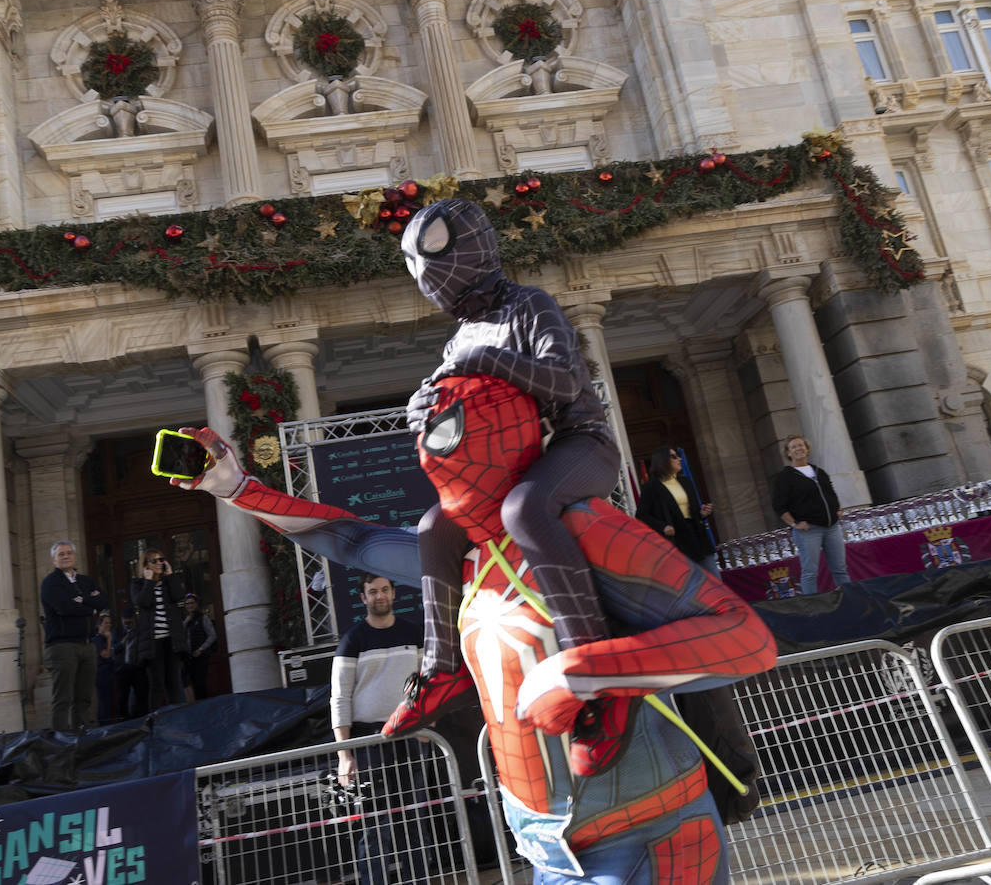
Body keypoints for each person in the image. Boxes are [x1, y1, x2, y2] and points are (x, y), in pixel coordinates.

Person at [169, 374, 776, 884]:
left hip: (649, 828)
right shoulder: (466, 557)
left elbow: (745, 639)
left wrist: (586, 671)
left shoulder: (587, 530)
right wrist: (237, 489)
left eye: (449, 428)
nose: (434, 451)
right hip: (546, 844)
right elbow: (350, 538)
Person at [388, 198, 624, 776]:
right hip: (506, 465)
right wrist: (425, 408)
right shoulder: (460, 337)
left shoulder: (529, 306)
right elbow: (455, 410)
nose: (425, 275)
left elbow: (567, 382)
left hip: (576, 446)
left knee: (526, 508)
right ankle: (443, 668)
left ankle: (595, 671)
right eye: (414, 263)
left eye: (433, 255)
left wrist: (490, 360)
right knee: (433, 529)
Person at [332, 576, 434, 885]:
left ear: (392, 594)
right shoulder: (352, 640)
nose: (379, 596)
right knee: (377, 825)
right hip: (369, 742)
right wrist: (344, 756)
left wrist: (427, 726)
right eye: (373, 591)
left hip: (410, 738)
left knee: (414, 820)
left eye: (384, 590)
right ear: (363, 597)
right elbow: (339, 698)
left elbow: (428, 685)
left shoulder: (413, 633)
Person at [770, 434, 852, 596]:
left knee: (840, 569)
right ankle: (813, 607)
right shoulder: (785, 477)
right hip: (808, 530)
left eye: (801, 445)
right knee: (810, 572)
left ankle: (849, 600)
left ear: (807, 449)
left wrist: (837, 509)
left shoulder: (819, 472)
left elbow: (830, 493)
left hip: (832, 528)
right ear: (788, 453)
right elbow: (779, 506)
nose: (798, 449)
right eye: (793, 447)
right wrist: (794, 524)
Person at [40, 540, 104, 731]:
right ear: (54, 560)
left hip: (87, 644)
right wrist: (89, 607)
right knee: (63, 698)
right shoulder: (51, 583)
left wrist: (83, 602)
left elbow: (102, 601)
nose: (66, 556)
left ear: (74, 556)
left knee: (84, 697)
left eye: (69, 553)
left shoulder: (86, 581)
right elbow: (64, 608)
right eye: (61, 554)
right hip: (62, 647)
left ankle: (82, 735)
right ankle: (61, 740)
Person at [636, 446, 720, 577]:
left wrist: (702, 513)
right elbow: (641, 515)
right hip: (676, 540)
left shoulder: (686, 481)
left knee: (714, 578)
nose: (679, 459)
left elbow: (692, 511)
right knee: (689, 583)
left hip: (697, 535)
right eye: (674, 456)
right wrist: (663, 526)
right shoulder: (651, 487)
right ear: (662, 460)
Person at [130, 547, 186, 710]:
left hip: (172, 640)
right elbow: (142, 602)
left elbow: (179, 596)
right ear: (146, 565)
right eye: (154, 560)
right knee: (157, 684)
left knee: (174, 683)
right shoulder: (138, 584)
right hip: (153, 643)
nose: (159, 563)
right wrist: (149, 582)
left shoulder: (169, 581)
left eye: (161, 559)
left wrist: (171, 576)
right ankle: (156, 722)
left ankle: (179, 719)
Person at [180, 594, 217, 702]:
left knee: (200, 684)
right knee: (188, 683)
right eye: (187, 604)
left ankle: (203, 707)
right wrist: (186, 622)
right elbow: (179, 637)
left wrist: (201, 649)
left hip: (201, 656)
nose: (189, 605)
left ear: (196, 604)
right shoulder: (184, 620)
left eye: (191, 603)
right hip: (188, 657)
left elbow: (212, 635)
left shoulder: (203, 618)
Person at [113, 608, 147, 718]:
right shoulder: (117, 632)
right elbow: (113, 650)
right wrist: (122, 642)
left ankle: (142, 718)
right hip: (122, 669)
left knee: (141, 695)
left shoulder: (139, 631)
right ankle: (123, 720)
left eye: (130, 619)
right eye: (125, 619)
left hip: (137, 667)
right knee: (122, 697)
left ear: (134, 619)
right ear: (122, 619)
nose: (127, 622)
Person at [93, 612, 116, 723]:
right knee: (104, 702)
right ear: (99, 625)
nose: (108, 625)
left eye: (110, 623)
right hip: (101, 674)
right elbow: (106, 654)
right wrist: (109, 639)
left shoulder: (103, 638)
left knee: (109, 700)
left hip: (108, 672)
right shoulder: (97, 639)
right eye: (105, 623)